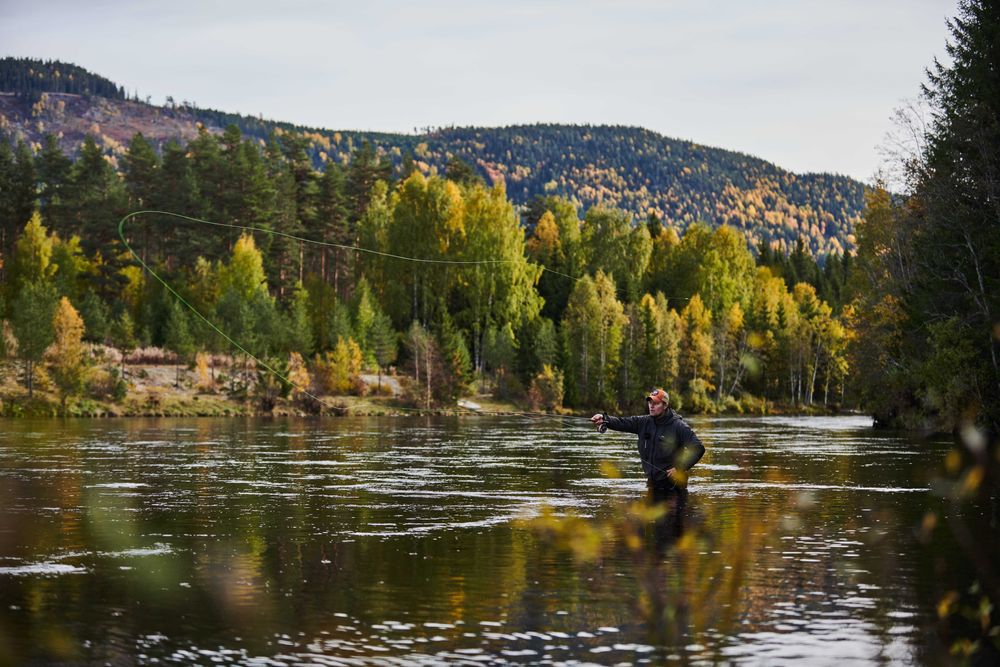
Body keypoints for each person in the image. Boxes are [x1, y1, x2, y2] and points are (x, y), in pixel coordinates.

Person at [591, 388, 704, 501]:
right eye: (650, 402)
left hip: (674, 487)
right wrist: (604, 419)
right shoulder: (643, 422)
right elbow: (622, 422)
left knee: (670, 518)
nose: (651, 406)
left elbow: (698, 448)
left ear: (665, 405)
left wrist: (679, 468)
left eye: (656, 403)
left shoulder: (679, 426)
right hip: (653, 484)